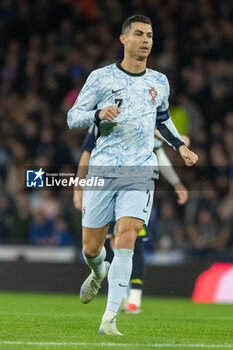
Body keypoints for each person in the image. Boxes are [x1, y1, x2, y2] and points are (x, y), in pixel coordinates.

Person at [67, 15, 198, 335]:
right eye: (138, 34)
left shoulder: (160, 81)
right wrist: (98, 113)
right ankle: (98, 272)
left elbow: (164, 121)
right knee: (91, 249)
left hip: (140, 170)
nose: (145, 40)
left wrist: (179, 145)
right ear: (123, 39)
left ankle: (109, 318)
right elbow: (73, 118)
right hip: (103, 169)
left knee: (126, 238)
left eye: (150, 35)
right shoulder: (101, 77)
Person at [73, 125, 189, 314]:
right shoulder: (103, 118)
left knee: (133, 239)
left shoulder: (146, 113)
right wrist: (78, 188)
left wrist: (176, 179)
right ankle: (116, 291)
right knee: (104, 244)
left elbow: (158, 147)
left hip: (137, 184)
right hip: (105, 184)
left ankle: (133, 298)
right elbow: (86, 153)